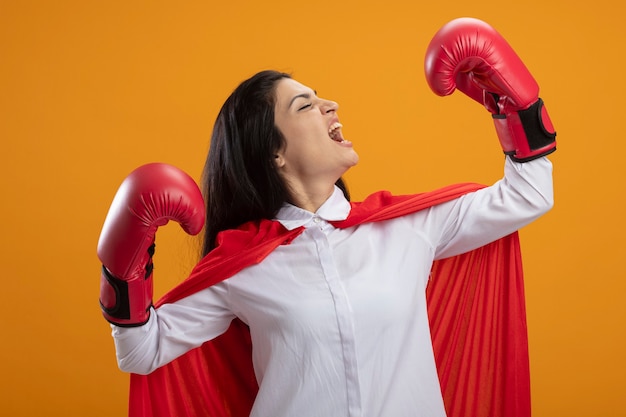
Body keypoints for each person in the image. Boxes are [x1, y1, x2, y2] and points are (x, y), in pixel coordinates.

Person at [97, 18, 556, 417]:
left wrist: (513, 105)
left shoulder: (407, 226)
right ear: (274, 152)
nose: (331, 106)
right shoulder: (242, 264)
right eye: (305, 105)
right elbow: (143, 350)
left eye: (320, 99)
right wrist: (123, 267)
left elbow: (528, 195)